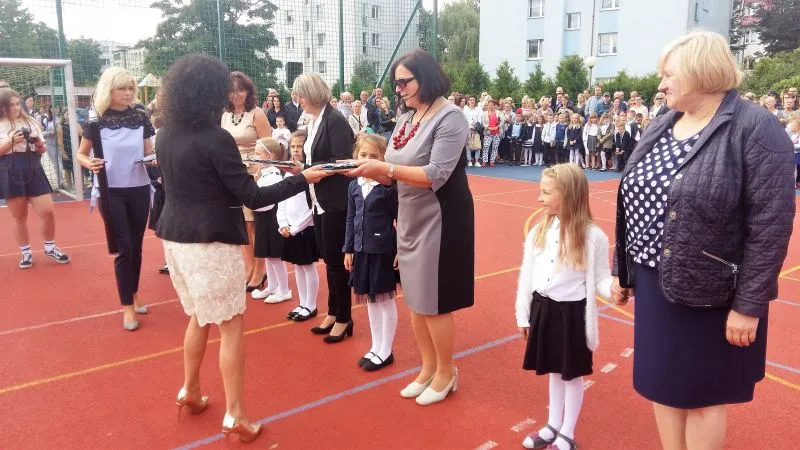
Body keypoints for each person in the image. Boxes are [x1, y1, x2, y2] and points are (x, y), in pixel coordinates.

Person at [611, 31, 795, 450]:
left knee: (701, 397)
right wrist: (623, 269)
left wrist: (748, 306)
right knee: (661, 385)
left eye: (669, 74)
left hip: (711, 293)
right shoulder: (664, 122)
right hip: (655, 283)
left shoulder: (755, 126)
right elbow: (634, 203)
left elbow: (771, 225)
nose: (661, 84)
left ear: (701, 72)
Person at [154, 54, 329, 443]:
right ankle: (235, 413)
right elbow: (252, 195)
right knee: (230, 325)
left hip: (175, 238)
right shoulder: (216, 138)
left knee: (198, 316)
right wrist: (303, 178)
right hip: (210, 240)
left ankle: (190, 389)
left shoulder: (164, 134)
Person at [345, 48, 474, 406]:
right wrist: (361, 171)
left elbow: (436, 174)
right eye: (396, 83)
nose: (398, 89)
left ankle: (447, 372)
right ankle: (428, 367)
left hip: (440, 217)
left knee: (434, 301)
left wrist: (383, 170)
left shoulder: (451, 117)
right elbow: (392, 170)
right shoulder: (406, 118)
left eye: (404, 82)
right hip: (410, 216)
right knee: (415, 299)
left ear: (426, 77)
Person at [516, 164, 613, 450]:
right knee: (554, 371)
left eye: (546, 192)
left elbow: (601, 279)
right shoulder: (539, 231)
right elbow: (527, 274)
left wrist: (616, 290)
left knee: (571, 374)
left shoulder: (593, 236)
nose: (540, 198)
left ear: (568, 195)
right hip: (544, 309)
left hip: (571, 315)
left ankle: (567, 432)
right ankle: (552, 425)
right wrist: (523, 313)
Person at [77, 67, 153, 331]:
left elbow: (148, 150)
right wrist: (90, 163)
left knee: (137, 246)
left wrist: (152, 160)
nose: (128, 93)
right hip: (110, 191)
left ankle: (133, 293)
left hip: (139, 187)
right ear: (109, 89)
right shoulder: (96, 120)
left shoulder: (141, 116)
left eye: (131, 88)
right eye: (122, 88)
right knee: (124, 248)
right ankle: (127, 306)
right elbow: (81, 153)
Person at [292, 72, 356, 343]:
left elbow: (342, 161)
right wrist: (302, 169)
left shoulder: (335, 120)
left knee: (337, 263)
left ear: (312, 93)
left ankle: (344, 317)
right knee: (329, 260)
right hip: (318, 199)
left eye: (300, 94)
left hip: (335, 201)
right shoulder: (315, 120)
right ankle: (333, 311)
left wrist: (308, 169)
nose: (297, 99)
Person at [344, 134, 399, 372]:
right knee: (370, 300)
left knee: (384, 300)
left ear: (383, 159)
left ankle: (386, 350)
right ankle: (376, 346)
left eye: (374, 156)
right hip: (361, 250)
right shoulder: (354, 186)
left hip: (382, 250)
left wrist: (400, 248)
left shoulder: (388, 188)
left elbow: (401, 218)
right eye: (363, 154)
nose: (367, 159)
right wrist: (348, 248)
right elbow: (350, 218)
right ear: (356, 156)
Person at [0, 89, 70, 269]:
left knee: (48, 211)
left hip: (33, 166)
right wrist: (10, 142)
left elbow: (42, 149)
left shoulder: (30, 121)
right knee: (19, 216)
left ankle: (50, 247)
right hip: (9, 169)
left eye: (17, 104)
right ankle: (25, 252)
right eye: (11, 105)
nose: (16, 108)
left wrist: (37, 142)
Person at [221, 71, 273, 293]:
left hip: (254, 173)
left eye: (240, 90)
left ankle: (260, 269)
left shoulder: (257, 113)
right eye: (231, 91)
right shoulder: (225, 115)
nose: (236, 95)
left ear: (248, 92)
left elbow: (269, 146)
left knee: (254, 225)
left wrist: (261, 171)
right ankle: (249, 267)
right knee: (240, 224)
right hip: (231, 174)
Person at [279, 130, 321, 322]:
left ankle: (310, 305)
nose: (296, 150)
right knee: (298, 266)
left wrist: (295, 228)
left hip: (304, 229)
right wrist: (282, 224)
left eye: (300, 146)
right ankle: (302, 303)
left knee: (308, 266)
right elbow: (282, 199)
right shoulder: (287, 173)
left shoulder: (309, 174)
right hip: (290, 229)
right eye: (293, 146)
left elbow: (311, 206)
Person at [250, 137, 292, 304]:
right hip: (263, 220)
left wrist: (252, 195)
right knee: (267, 256)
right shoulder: (264, 174)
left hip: (271, 220)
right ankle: (272, 286)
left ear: (269, 156)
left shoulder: (273, 175)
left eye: (258, 154)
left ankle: (284, 290)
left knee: (275, 257)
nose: (255, 157)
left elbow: (266, 202)